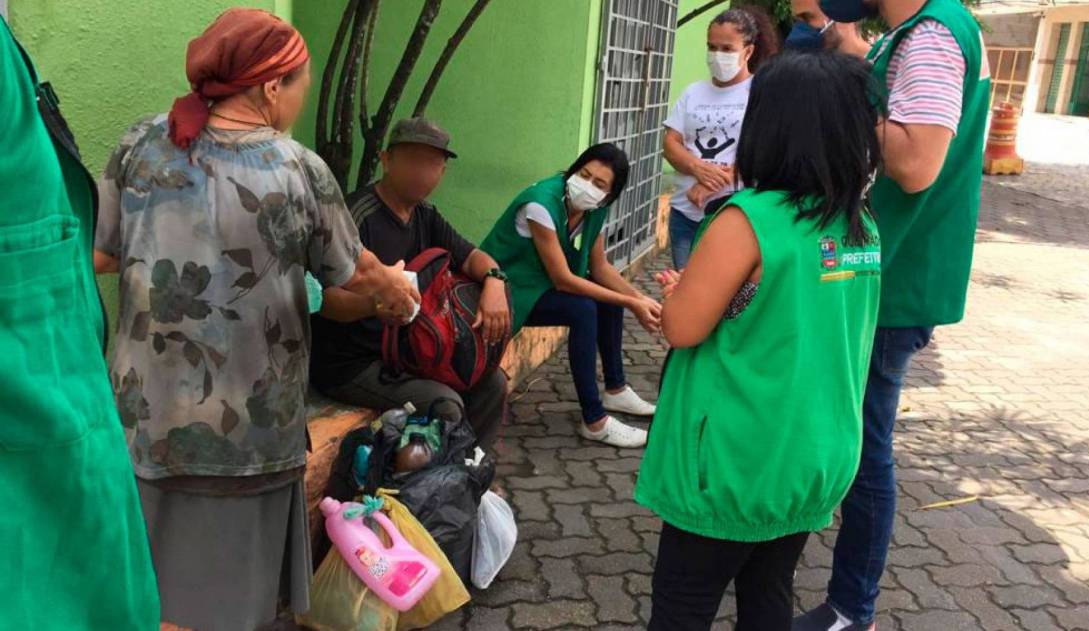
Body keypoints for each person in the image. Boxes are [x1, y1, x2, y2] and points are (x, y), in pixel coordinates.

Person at [93, 9, 417, 631]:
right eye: (300, 85)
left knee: (147, 585)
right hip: (251, 427)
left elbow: (104, 253)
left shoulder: (140, 142)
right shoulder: (298, 169)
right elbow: (351, 275)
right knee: (236, 600)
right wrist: (397, 292)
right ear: (272, 87)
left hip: (146, 417)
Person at [636, 50, 884, 631]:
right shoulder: (859, 224)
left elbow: (682, 327)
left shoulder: (748, 218)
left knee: (682, 605)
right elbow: (783, 309)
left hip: (736, 460)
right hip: (813, 454)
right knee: (769, 590)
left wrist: (681, 296)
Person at [793, 0, 991, 628]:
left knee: (866, 450)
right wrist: (841, 44)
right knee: (855, 437)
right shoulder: (915, 33)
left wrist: (837, 97)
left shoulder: (933, 36)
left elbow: (913, 163)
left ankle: (853, 608)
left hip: (894, 279)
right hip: (889, 270)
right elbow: (892, 93)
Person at [0, 16, 160, 630]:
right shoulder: (294, 167)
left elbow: (90, 247)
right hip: (43, 480)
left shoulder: (142, 142)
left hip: (109, 399)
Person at [311, 117, 509, 448]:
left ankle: (472, 475)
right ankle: (430, 489)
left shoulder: (425, 215)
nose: (422, 172)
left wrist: (495, 282)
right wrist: (374, 306)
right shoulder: (355, 216)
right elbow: (325, 301)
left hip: (408, 352)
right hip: (352, 364)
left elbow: (473, 257)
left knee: (492, 383)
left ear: (442, 172)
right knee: (445, 405)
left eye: (432, 163)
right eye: (412, 159)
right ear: (386, 160)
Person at [481, 144, 660, 448]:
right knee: (583, 309)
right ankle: (595, 421)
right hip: (508, 288)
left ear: (609, 195)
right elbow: (563, 280)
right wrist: (631, 302)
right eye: (584, 174)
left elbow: (600, 267)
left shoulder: (595, 208)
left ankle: (615, 389)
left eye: (599, 184)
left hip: (539, 285)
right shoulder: (541, 204)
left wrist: (643, 300)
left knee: (604, 297)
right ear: (574, 169)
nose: (588, 185)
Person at [662, 6, 778, 269]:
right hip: (685, 213)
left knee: (728, 297)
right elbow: (671, 144)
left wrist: (714, 181)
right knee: (684, 289)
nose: (717, 56)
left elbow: (767, 153)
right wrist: (698, 168)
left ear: (747, 51)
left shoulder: (761, 94)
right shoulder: (693, 92)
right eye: (711, 47)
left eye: (727, 49)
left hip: (736, 214)